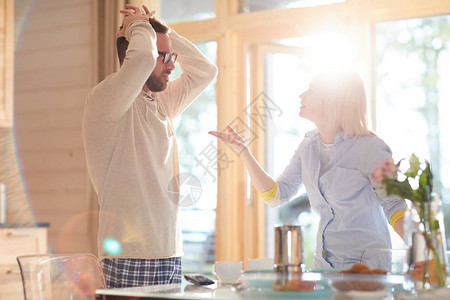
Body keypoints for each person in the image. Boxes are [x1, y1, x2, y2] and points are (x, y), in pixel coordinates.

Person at [209, 70, 406, 270]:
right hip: (324, 268)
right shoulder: (308, 147)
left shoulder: (372, 148)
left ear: (332, 100)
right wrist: (244, 152)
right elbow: (276, 195)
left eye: (311, 91)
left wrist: (426, 257)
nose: (301, 95)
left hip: (366, 270)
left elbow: (395, 208)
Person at [82, 4, 217, 288]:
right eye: (163, 57)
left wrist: (159, 27)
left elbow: (206, 71)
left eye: (172, 57)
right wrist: (136, 25)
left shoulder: (162, 103)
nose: (172, 65)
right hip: (129, 255)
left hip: (170, 251)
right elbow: (143, 58)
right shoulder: (106, 100)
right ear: (130, 53)